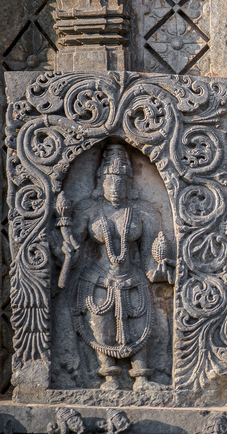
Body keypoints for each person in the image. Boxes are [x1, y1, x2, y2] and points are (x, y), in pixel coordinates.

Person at [73, 142, 171, 391]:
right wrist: (62, 246)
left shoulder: (143, 212)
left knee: (139, 328)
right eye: (110, 182)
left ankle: (141, 377)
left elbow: (150, 258)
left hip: (133, 280)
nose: (115, 188)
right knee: (101, 331)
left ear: (130, 184)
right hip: (98, 281)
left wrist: (162, 263)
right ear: (100, 182)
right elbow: (73, 250)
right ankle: (109, 378)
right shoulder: (88, 209)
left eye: (121, 182)